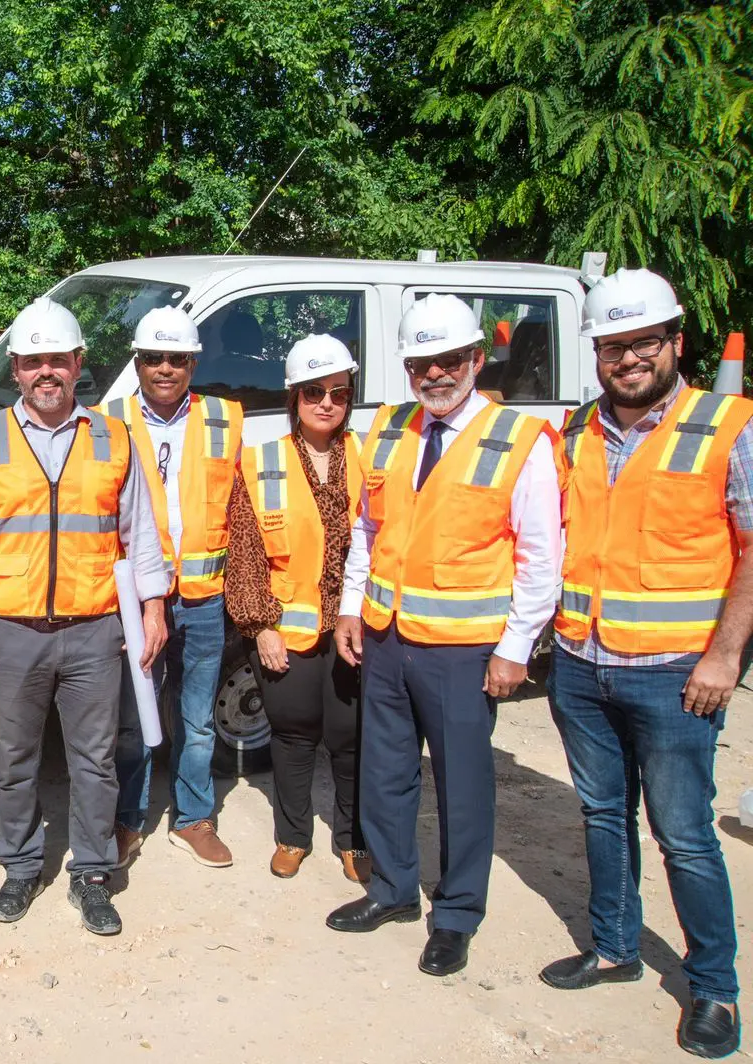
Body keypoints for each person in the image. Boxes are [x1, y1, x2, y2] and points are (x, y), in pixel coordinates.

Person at [540, 269, 744, 1060]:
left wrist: (724, 657)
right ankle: (616, 948)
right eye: (612, 345)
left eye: (641, 342)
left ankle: (716, 990)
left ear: (675, 342)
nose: (627, 358)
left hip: (674, 672)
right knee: (602, 814)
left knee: (685, 834)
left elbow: (752, 550)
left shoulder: (726, 424)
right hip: (584, 665)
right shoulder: (580, 431)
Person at [328, 293, 561, 977]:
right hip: (389, 636)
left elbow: (541, 558)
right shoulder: (392, 428)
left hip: (464, 650)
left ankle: (456, 913)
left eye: (449, 360)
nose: (435, 374)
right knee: (387, 774)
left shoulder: (518, 439)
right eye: (421, 363)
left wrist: (517, 647)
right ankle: (394, 890)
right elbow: (371, 530)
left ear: (475, 358)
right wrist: (350, 607)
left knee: (463, 785)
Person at [0, 296, 170, 937]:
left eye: (57, 361)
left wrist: (153, 607)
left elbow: (141, 530)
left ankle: (92, 874)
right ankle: (20, 868)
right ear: (15, 367)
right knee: (13, 759)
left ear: (77, 364)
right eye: (33, 361)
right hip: (10, 632)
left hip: (95, 630)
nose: (46, 372)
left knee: (95, 760)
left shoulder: (113, 437)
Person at [99, 306, 240, 870]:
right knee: (134, 714)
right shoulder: (106, 419)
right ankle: (128, 820)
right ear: (136, 362)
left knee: (198, 716)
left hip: (205, 596)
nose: (164, 368)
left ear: (192, 363)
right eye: (153, 357)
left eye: (176, 358)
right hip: (136, 599)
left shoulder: (225, 418)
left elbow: (242, 508)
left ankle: (193, 817)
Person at [225, 334, 367, 882]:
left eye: (338, 391)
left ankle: (353, 841)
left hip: (356, 629)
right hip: (286, 627)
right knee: (293, 733)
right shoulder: (263, 464)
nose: (326, 402)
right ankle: (293, 836)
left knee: (351, 738)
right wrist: (260, 625)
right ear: (294, 397)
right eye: (313, 392)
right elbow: (244, 552)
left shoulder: (372, 457)